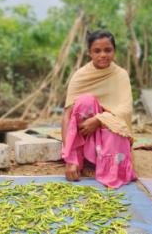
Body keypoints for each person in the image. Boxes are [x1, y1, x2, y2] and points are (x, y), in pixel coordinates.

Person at [61, 29, 138, 189]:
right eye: (97, 51)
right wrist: (70, 159)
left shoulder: (121, 75)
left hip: (107, 130)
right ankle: (84, 160)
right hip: (86, 136)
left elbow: (125, 110)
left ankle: (107, 164)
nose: (103, 55)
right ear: (89, 52)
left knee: (117, 128)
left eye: (107, 50)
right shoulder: (80, 76)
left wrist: (98, 119)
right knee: (85, 101)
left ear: (114, 51)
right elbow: (67, 116)